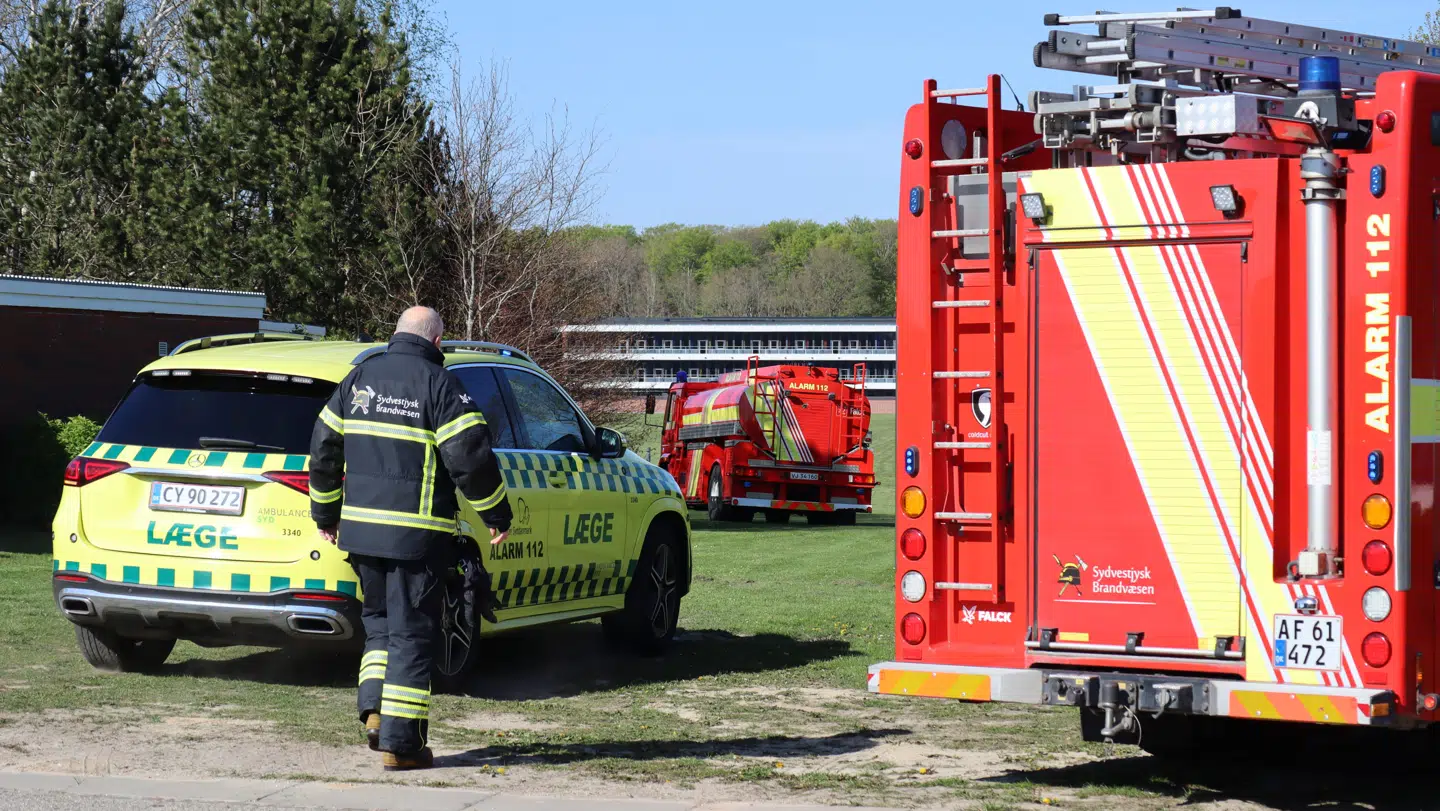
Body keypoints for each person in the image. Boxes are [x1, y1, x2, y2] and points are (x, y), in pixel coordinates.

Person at [308, 306, 512, 771]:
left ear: (396, 334)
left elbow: (322, 449)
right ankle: (401, 747)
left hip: (360, 536)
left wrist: (325, 512)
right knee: (412, 636)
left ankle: (376, 714)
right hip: (415, 538)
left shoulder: (357, 380)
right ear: (437, 342)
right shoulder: (439, 385)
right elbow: (471, 458)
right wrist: (496, 513)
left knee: (378, 626)